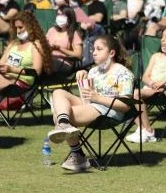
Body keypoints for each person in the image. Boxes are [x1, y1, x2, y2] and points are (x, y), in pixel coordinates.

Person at [46, 35, 134, 171]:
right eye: (93, 49)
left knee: (60, 114)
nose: (94, 52)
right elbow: (87, 97)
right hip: (92, 105)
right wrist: (83, 77)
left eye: (99, 49)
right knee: (58, 92)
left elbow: (125, 106)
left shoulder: (123, 73)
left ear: (111, 53)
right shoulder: (94, 71)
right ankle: (64, 125)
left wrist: (97, 98)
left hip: (109, 111)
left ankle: (77, 153)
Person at [126, 27, 166, 144]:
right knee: (127, 96)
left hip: (164, 91)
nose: (162, 39)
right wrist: (152, 83)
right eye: (162, 36)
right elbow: (145, 77)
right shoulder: (155, 56)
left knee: (136, 94)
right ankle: (143, 129)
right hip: (150, 88)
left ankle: (149, 132)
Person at [0, 11, 50, 93]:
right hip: (6, 77)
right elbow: (1, 63)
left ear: (30, 27)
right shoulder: (13, 43)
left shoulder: (35, 45)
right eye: (16, 28)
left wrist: (11, 69)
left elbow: (36, 71)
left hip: (22, 82)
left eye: (20, 27)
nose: (18, 31)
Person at [46, 6, 84, 74]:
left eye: (62, 15)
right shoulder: (51, 30)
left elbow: (79, 55)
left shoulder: (74, 34)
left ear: (69, 17)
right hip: (49, 59)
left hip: (64, 63)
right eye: (58, 14)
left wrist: (60, 49)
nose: (59, 17)